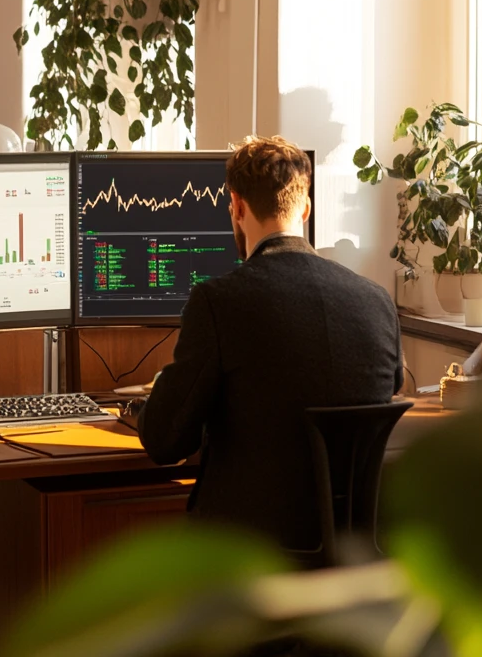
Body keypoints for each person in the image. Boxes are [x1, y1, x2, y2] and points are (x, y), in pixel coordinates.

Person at [137, 135, 403, 551]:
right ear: (307, 208)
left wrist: (154, 397)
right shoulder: (376, 301)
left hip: (247, 555)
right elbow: (386, 389)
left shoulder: (219, 302)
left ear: (238, 207)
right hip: (354, 552)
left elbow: (165, 442)